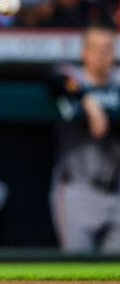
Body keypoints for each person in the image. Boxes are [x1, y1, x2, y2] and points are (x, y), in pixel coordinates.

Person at [50, 25, 120, 252]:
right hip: (77, 189)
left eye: (107, 48)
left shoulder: (118, 80)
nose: (101, 55)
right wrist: (87, 99)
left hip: (115, 189)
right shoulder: (73, 76)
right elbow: (53, 76)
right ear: (84, 52)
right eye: (95, 48)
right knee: (76, 262)